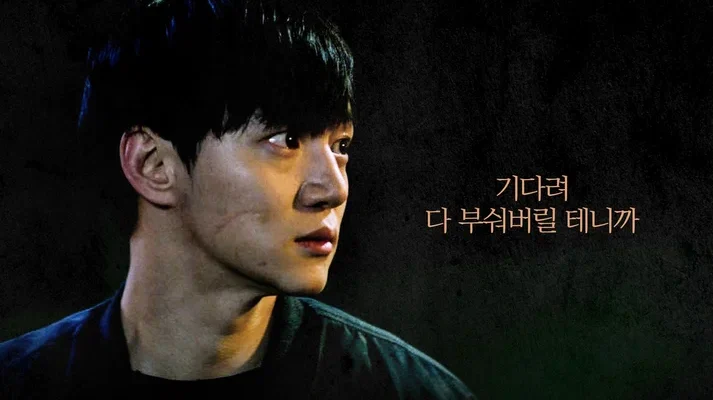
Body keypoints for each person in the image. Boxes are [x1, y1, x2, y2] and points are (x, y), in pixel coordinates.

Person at [0, 1, 475, 398]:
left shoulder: (408, 390)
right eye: (286, 140)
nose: (333, 189)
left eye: (340, 146)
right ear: (152, 164)